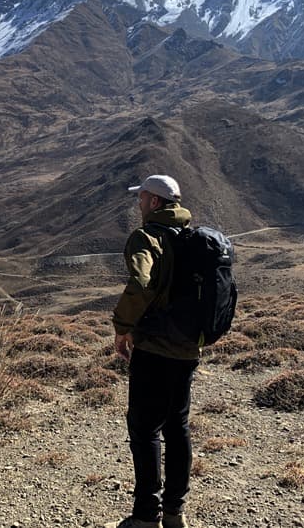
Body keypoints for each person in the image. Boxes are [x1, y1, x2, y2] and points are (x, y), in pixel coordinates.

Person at [110, 175, 198, 528]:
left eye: (142, 198)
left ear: (156, 203)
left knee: (145, 428)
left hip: (155, 348)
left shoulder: (147, 237)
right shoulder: (193, 238)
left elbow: (141, 283)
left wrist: (122, 328)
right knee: (178, 426)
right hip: (189, 347)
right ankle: (175, 513)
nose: (139, 203)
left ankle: (147, 516)